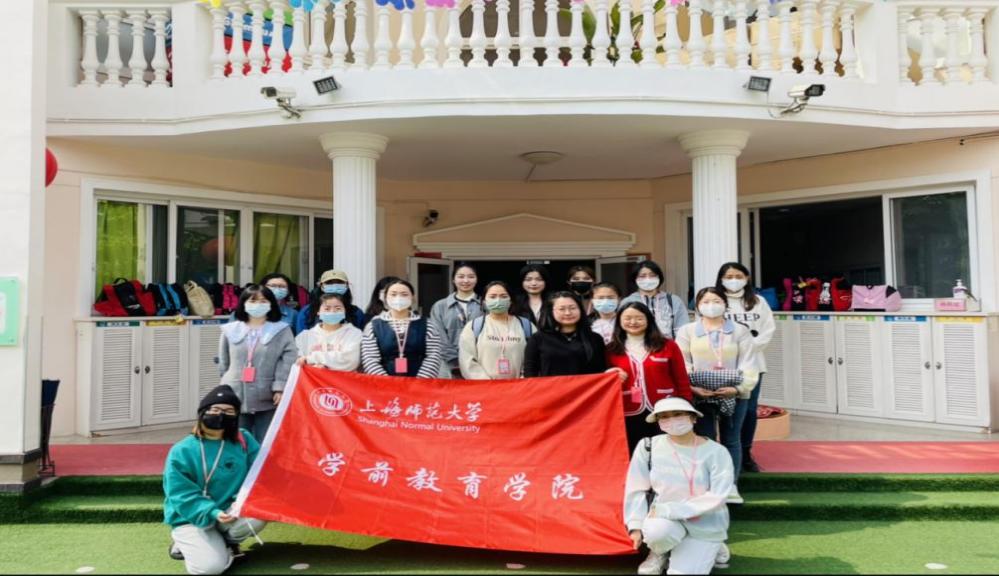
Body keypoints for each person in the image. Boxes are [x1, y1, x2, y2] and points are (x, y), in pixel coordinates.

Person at [624, 397, 734, 576]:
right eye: (664, 417)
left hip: (705, 522)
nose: (672, 420)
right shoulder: (649, 446)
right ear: (658, 421)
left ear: (693, 418)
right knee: (656, 532)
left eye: (678, 414)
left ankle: (713, 546)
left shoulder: (717, 452)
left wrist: (669, 510)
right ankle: (659, 552)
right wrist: (635, 524)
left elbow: (718, 495)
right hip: (664, 520)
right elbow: (636, 487)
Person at [164, 385, 267, 575]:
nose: (221, 415)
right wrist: (212, 512)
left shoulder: (243, 439)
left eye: (229, 411)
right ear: (202, 412)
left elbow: (261, 472)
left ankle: (225, 543)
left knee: (261, 512)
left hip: (230, 511)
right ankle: (187, 543)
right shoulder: (182, 450)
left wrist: (239, 502)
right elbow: (180, 494)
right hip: (191, 518)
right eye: (215, 409)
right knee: (210, 568)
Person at [675, 287, 758, 502]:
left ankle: (730, 485)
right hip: (700, 394)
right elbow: (683, 362)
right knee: (705, 439)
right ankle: (707, 483)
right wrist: (692, 388)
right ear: (697, 306)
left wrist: (739, 388)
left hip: (734, 393)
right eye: (705, 301)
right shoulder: (687, 331)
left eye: (716, 301)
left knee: (731, 440)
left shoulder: (739, 331)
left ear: (725, 304)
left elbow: (749, 362)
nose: (711, 305)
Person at [606, 302, 694, 452]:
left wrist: (687, 406)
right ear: (619, 320)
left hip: (665, 407)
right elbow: (605, 380)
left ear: (649, 320)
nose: (633, 322)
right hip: (628, 408)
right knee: (634, 450)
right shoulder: (611, 349)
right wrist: (609, 374)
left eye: (639, 318)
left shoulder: (668, 345)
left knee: (666, 449)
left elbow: (681, 378)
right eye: (627, 318)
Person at [219, 285, 298, 443]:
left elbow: (288, 359)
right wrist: (226, 385)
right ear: (243, 303)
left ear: (271, 304)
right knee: (236, 439)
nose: (258, 305)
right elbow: (223, 361)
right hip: (236, 392)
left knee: (266, 441)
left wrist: (280, 387)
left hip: (268, 394)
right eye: (253, 301)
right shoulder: (230, 330)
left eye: (263, 301)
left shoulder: (281, 330)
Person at [716, 262, 776, 474]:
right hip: (721, 364)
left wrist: (747, 348)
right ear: (721, 279)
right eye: (728, 276)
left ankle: (745, 451)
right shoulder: (715, 300)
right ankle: (723, 452)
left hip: (753, 364)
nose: (733, 280)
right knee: (723, 409)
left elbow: (768, 330)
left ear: (747, 278)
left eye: (738, 276)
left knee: (749, 410)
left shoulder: (758, 301)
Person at [361, 279, 443, 378]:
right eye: (393, 294)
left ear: (413, 298)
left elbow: (433, 356)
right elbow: (370, 359)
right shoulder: (373, 326)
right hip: (384, 383)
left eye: (404, 294)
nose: (398, 298)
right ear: (385, 298)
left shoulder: (428, 325)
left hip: (420, 383)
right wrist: (387, 383)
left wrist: (419, 382)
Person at [459, 281, 535, 379]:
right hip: (484, 386)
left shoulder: (526, 326)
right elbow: (467, 361)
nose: (498, 300)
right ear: (484, 301)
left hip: (521, 386)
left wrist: (522, 382)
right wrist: (488, 384)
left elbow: (535, 359)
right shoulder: (473, 327)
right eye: (492, 297)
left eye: (503, 296)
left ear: (511, 300)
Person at [523, 291, 608, 377]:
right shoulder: (538, 339)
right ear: (550, 311)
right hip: (552, 386)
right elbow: (530, 373)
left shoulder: (595, 338)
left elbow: (602, 371)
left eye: (573, 308)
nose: (568, 313)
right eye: (562, 309)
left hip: (587, 386)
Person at [429, 263, 484, 378]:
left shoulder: (485, 305)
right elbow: (438, 336)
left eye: (471, 276)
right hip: (448, 364)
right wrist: (455, 359)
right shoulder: (440, 306)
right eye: (461, 276)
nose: (466, 280)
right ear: (453, 280)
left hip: (480, 361)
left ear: (477, 279)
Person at [621, 261, 691, 340]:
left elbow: (683, 330)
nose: (648, 279)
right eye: (643, 276)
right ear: (635, 279)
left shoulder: (673, 300)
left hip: (668, 346)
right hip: (637, 345)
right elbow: (621, 329)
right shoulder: (627, 302)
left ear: (659, 278)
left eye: (652, 275)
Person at [295, 292, 363, 371]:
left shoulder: (355, 334)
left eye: (338, 308)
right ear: (318, 312)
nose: (333, 311)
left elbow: (350, 361)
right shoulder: (305, 336)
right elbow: (298, 362)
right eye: (327, 309)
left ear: (345, 311)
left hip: (343, 379)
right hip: (312, 378)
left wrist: (312, 359)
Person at [295, 270, 365, 333]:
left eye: (339, 282)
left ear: (347, 286)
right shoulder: (307, 312)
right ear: (321, 286)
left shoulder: (356, 313)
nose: (334, 286)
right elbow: (302, 337)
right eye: (329, 283)